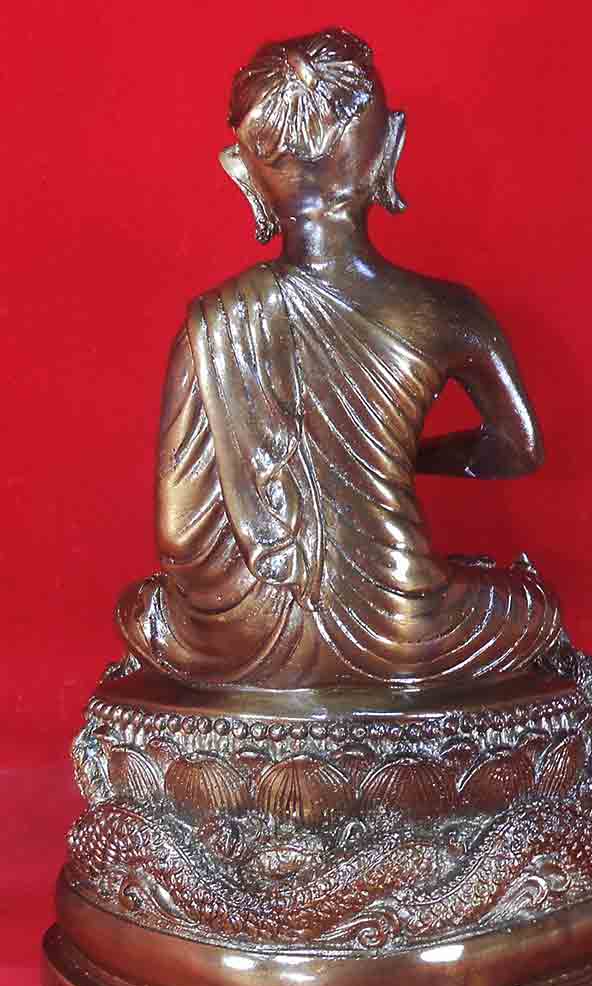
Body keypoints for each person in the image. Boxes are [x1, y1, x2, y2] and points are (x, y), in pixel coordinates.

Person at [117, 28, 560, 690]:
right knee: (532, 607)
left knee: (144, 612)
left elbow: (180, 538)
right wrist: (408, 457)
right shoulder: (450, 313)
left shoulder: (212, 326)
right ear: (391, 148)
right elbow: (517, 449)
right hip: (409, 626)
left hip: (243, 636)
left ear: (243, 174)